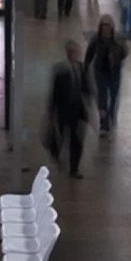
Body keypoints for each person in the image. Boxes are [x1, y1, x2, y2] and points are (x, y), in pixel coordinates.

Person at [48, 40, 91, 179]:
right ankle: (57, 154)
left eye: (76, 51)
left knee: (77, 140)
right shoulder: (60, 70)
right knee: (61, 137)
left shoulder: (82, 68)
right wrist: (51, 110)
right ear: (67, 53)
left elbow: (86, 87)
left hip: (78, 110)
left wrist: (88, 103)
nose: (75, 54)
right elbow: (54, 92)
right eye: (72, 52)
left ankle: (74, 168)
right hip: (63, 110)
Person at [84, 15, 126, 135]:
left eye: (108, 26)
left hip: (114, 73)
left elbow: (124, 53)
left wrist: (116, 56)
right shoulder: (96, 40)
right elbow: (89, 55)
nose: (106, 29)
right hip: (101, 72)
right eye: (104, 26)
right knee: (102, 98)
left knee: (113, 97)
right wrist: (86, 69)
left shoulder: (117, 39)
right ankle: (104, 123)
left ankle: (111, 117)